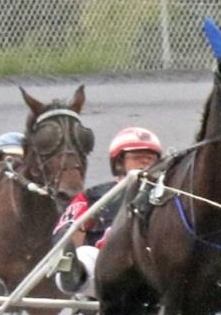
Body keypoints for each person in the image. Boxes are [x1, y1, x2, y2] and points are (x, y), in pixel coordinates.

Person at [53, 126, 163, 295]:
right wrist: (72, 240)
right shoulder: (93, 197)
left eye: (150, 158)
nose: (145, 163)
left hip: (156, 265)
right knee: (83, 254)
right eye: (137, 157)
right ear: (119, 163)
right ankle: (75, 275)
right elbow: (64, 232)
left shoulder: (171, 195)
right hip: (106, 268)